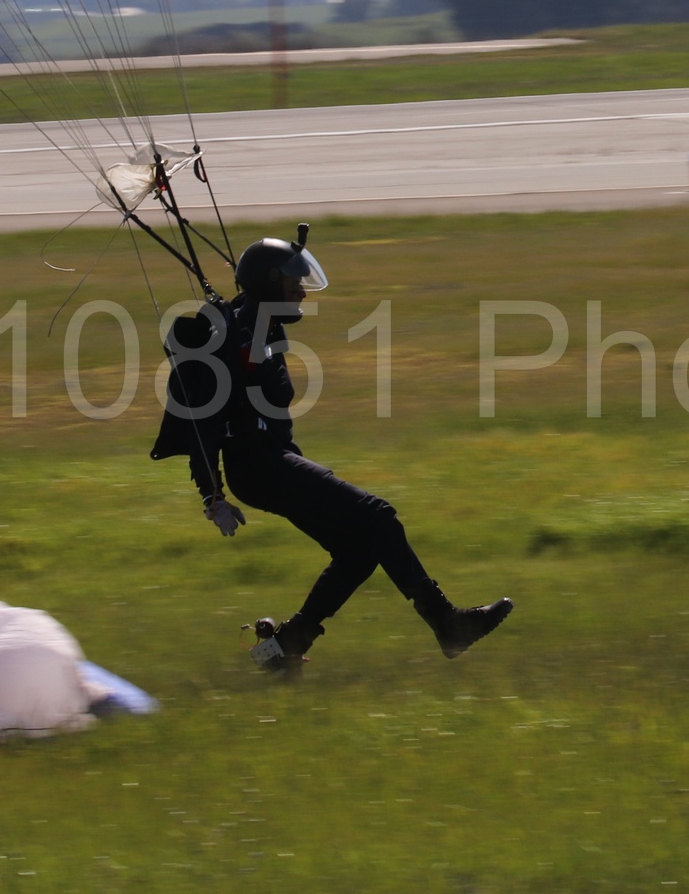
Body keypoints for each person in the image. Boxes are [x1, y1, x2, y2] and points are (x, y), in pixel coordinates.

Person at [152, 226, 512, 674]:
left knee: (359, 549)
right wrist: (212, 496)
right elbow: (202, 418)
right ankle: (447, 624)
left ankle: (283, 648)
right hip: (260, 468)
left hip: (274, 463)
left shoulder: (257, 321)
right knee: (378, 516)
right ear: (268, 284)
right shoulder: (234, 334)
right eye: (292, 281)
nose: (302, 291)